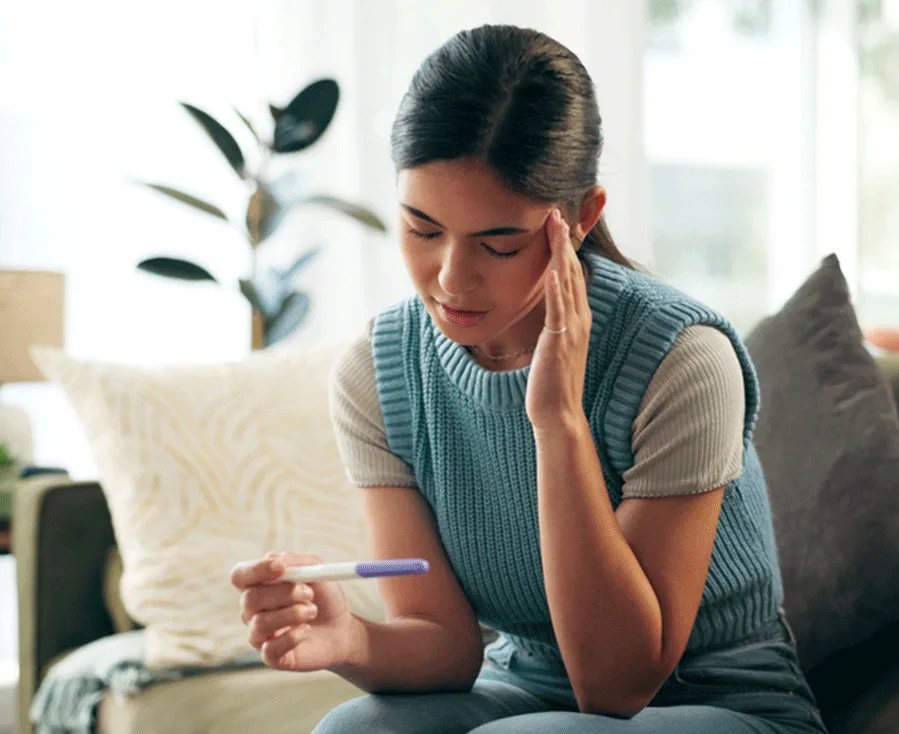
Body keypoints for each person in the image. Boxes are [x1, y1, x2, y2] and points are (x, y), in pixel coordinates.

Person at [230, 24, 827, 734]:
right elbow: (445, 646)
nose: (450, 279)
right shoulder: (378, 371)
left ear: (580, 219)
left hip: (724, 702)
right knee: (352, 729)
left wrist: (558, 421)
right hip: (524, 691)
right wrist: (348, 639)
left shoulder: (682, 360)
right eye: (422, 230)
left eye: (500, 243)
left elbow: (617, 683)